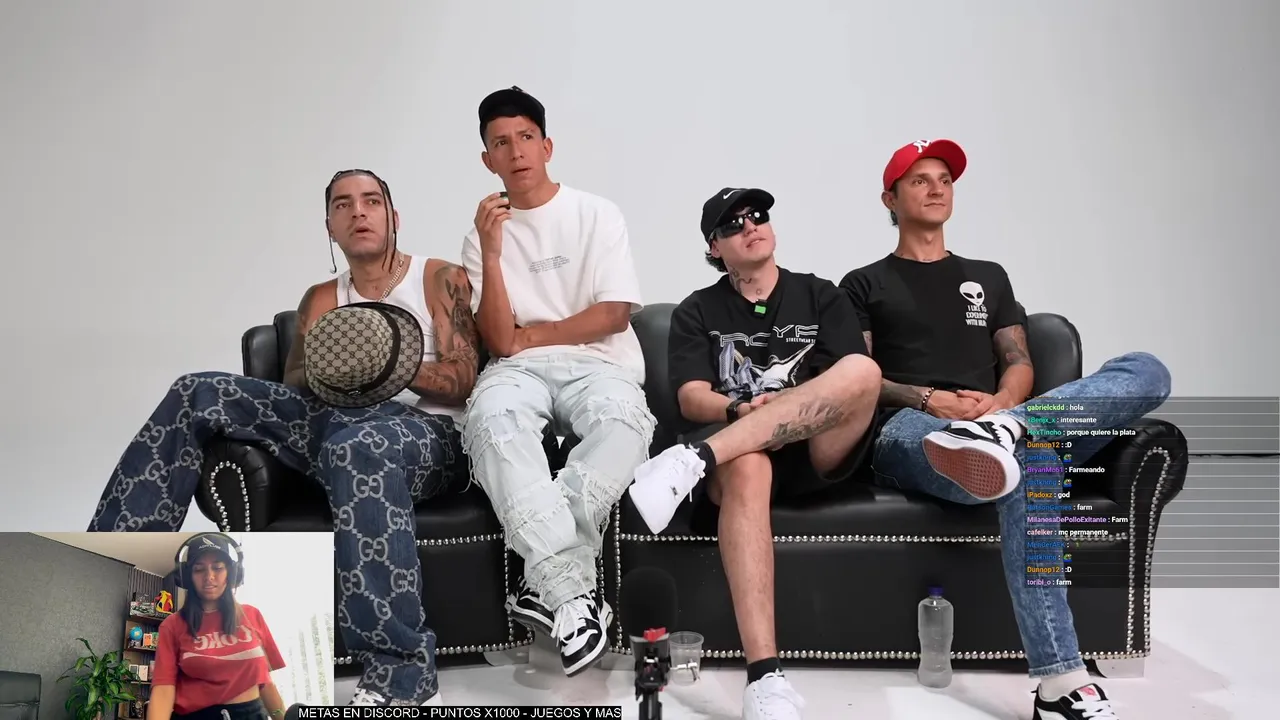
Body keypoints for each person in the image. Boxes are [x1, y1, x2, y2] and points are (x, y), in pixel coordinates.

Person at [88, 169, 480, 707]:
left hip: (425, 434)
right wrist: (338, 366)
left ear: (394, 217)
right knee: (196, 391)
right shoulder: (321, 298)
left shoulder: (439, 278)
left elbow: (465, 380)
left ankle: (401, 675)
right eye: (343, 205)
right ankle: (111, 553)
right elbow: (295, 384)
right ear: (330, 226)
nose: (358, 212)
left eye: (371, 201)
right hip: (337, 416)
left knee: (355, 448)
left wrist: (393, 366)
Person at [840, 138, 1172, 720]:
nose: (937, 188)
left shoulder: (987, 277)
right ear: (889, 198)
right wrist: (931, 399)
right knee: (1033, 464)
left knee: (1148, 370)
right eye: (919, 180)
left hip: (997, 423)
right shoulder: (863, 283)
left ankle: (1009, 433)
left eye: (945, 179)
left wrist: (1001, 409)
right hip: (909, 430)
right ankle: (1061, 680)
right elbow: (858, 378)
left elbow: (1018, 361)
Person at [628, 188, 882, 720]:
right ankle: (765, 679)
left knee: (864, 370)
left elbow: (847, 386)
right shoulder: (697, 310)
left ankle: (693, 460)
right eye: (732, 224)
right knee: (747, 463)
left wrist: (786, 410)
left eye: (758, 216)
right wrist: (742, 412)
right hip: (741, 453)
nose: (750, 226)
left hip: (814, 446)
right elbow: (691, 396)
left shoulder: (820, 294)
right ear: (714, 247)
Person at [458, 86, 656, 676]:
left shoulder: (597, 213)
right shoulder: (481, 235)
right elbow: (501, 340)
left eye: (525, 138)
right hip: (517, 370)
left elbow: (613, 314)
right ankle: (572, 595)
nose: (515, 151)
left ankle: (546, 581)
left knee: (625, 424)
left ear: (546, 147)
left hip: (601, 364)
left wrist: (535, 334)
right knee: (490, 419)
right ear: (488, 160)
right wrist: (490, 252)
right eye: (501, 143)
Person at [149, 533, 286, 720]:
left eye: (218, 567)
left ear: (232, 572)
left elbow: (265, 681)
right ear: (187, 577)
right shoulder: (172, 625)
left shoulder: (252, 615)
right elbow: (163, 689)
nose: (209, 576)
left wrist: (281, 716)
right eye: (199, 569)